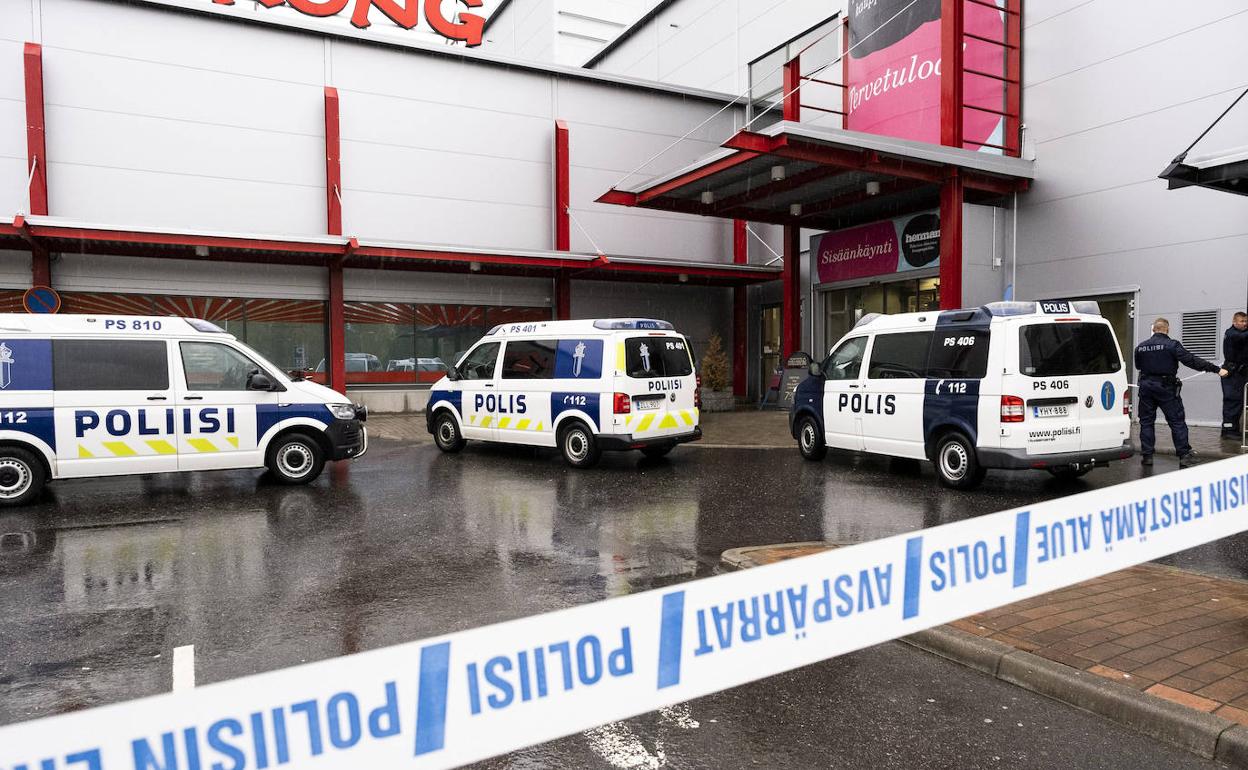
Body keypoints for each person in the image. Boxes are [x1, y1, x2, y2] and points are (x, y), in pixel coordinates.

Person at [1134, 317, 1228, 468]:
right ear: (1167, 329)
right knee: (1177, 421)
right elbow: (1191, 360)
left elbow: (1138, 366)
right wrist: (1216, 369)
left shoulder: (1140, 347)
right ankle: (1184, 455)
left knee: (1146, 422)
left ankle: (1147, 456)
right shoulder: (1172, 345)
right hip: (1166, 388)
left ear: (1153, 329)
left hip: (1146, 387)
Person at [1221, 311, 1248, 439]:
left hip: (1240, 373)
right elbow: (1241, 337)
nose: (1245, 324)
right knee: (1232, 401)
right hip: (1233, 373)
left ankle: (1233, 429)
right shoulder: (1231, 333)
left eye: (1246, 321)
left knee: (1239, 402)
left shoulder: (1241, 333)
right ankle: (1229, 431)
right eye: (1242, 321)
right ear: (1234, 322)